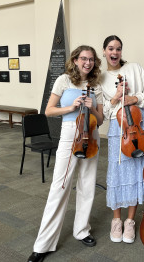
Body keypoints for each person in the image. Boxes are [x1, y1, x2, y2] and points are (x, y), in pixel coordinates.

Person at [27, 45, 104, 262]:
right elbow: (49, 110)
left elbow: (101, 119)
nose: (87, 63)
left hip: (92, 133)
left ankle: (82, 230)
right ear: (75, 60)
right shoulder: (63, 80)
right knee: (59, 186)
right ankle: (43, 244)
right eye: (83, 59)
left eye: (91, 59)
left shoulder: (95, 85)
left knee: (87, 184)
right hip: (71, 133)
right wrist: (71, 107)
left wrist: (93, 108)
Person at [100, 35, 144, 244]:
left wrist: (135, 98)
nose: (114, 53)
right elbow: (105, 112)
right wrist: (115, 97)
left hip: (141, 124)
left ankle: (130, 221)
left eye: (118, 49)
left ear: (121, 51)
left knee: (137, 170)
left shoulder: (134, 68)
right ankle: (117, 220)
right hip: (119, 127)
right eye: (110, 48)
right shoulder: (101, 78)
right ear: (104, 51)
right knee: (117, 170)